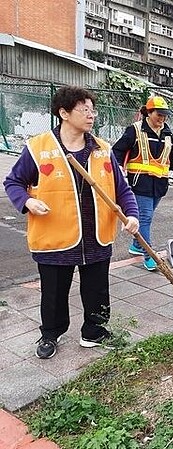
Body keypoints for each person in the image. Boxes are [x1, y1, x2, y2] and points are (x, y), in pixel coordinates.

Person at [3, 85, 139, 359]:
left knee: (97, 290)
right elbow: (13, 182)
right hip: (55, 236)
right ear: (64, 113)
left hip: (96, 235)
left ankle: (94, 332)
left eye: (93, 110)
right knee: (53, 292)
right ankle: (51, 334)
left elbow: (121, 188)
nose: (91, 115)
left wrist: (132, 214)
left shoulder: (102, 149)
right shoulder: (39, 148)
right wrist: (27, 202)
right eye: (84, 110)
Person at [112, 95, 173, 271]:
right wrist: (118, 172)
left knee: (145, 218)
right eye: (158, 114)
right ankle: (149, 256)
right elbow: (117, 151)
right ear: (149, 113)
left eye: (164, 115)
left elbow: (171, 159)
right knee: (144, 219)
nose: (162, 118)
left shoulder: (168, 134)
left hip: (159, 186)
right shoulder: (135, 130)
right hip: (140, 183)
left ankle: (136, 246)